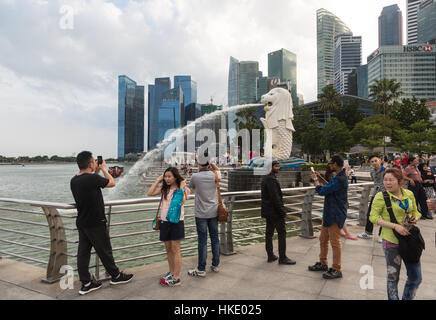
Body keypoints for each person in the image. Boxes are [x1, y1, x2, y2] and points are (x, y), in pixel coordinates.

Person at [70, 151, 133, 295]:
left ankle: (86, 283)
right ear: (90, 163)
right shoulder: (91, 179)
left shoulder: (75, 180)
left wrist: (96, 170)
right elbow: (111, 183)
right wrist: (104, 168)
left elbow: (92, 183)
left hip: (83, 222)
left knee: (83, 253)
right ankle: (116, 276)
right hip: (96, 222)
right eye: (93, 161)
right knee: (105, 250)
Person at [369, 168, 422, 300]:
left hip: (410, 241)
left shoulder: (409, 194)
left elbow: (416, 211)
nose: (387, 183)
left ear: (399, 181)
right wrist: (395, 226)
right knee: (393, 277)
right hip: (391, 241)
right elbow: (373, 217)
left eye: (391, 180)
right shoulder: (380, 197)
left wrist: (415, 218)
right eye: (385, 180)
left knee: (416, 277)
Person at [147, 167, 190, 287]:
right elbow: (149, 193)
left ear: (175, 177)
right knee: (168, 249)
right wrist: (158, 180)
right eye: (165, 177)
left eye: (169, 176)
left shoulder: (184, 189)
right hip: (164, 222)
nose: (167, 179)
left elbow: (181, 202)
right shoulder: (164, 189)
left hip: (177, 222)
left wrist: (181, 188)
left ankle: (177, 277)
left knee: (176, 249)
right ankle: (171, 272)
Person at [308, 155, 348, 279]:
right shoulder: (338, 177)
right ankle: (323, 262)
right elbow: (330, 188)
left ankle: (337, 268)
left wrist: (315, 180)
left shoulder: (340, 179)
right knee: (323, 239)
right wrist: (322, 180)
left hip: (335, 214)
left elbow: (322, 191)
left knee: (335, 242)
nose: (329, 165)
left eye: (330, 163)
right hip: (329, 212)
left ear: (336, 164)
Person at [187, 158, 221, 277]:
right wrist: (212, 164)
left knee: (202, 241)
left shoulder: (195, 177)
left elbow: (191, 187)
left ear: (199, 163)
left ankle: (201, 268)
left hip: (201, 213)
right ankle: (215, 265)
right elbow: (218, 170)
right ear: (209, 163)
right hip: (214, 212)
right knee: (215, 239)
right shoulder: (215, 175)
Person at [261, 160, 296, 265]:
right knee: (281, 233)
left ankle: (270, 255)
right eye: (276, 166)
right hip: (274, 212)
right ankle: (282, 257)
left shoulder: (266, 178)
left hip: (268, 211)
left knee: (269, 233)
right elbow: (275, 197)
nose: (278, 168)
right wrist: (282, 211)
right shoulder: (271, 179)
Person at [358, 155, 385, 242]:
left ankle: (382, 235)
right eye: (372, 162)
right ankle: (368, 232)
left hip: (385, 194)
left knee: (385, 215)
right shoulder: (372, 171)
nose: (374, 163)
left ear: (380, 161)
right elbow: (375, 181)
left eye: (375, 161)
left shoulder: (386, 170)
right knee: (370, 213)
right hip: (375, 194)